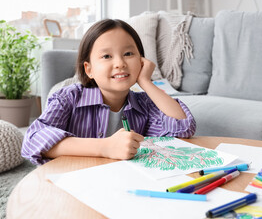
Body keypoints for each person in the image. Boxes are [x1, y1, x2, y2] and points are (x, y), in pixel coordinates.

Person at [22, 19, 196, 165]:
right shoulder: (68, 98)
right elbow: (33, 140)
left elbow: (183, 126)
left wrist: (145, 82)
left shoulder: (145, 104)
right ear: (89, 69)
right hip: (75, 180)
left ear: (141, 62)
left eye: (128, 53)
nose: (120, 63)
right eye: (106, 56)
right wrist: (105, 147)